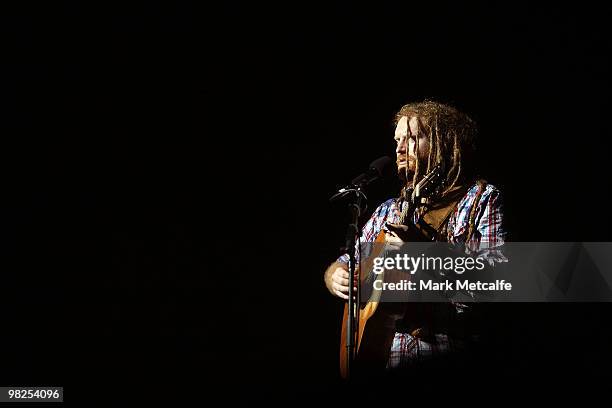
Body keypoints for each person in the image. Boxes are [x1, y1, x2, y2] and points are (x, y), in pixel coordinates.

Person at [324, 100, 506, 378]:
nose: (398, 148)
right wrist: (335, 275)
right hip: (389, 358)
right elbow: (346, 261)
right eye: (397, 140)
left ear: (442, 143)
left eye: (411, 138)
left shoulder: (480, 199)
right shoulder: (389, 210)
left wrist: (423, 251)